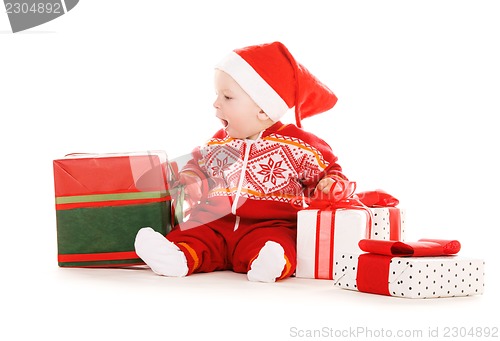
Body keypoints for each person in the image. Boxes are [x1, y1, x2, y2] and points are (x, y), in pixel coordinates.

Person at [134, 41, 348, 282]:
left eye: (227, 97)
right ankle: (176, 257)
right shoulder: (220, 143)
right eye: (217, 95)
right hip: (216, 221)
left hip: (268, 224)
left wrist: (330, 184)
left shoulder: (299, 145)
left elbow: (330, 171)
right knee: (194, 232)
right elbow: (197, 165)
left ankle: (270, 262)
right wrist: (189, 178)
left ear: (264, 110)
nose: (216, 103)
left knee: (278, 241)